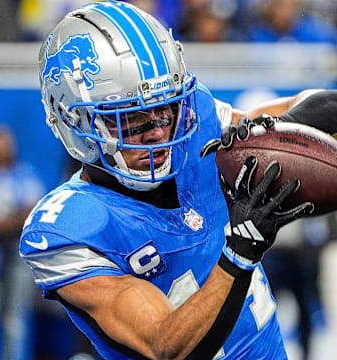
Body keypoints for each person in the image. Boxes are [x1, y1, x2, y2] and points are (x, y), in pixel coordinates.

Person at [19, 2, 335, 359]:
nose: (158, 132)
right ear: (76, 123)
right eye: (133, 119)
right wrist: (239, 252)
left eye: (166, 108)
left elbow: (291, 116)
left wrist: (297, 128)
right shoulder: (69, 226)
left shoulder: (197, 131)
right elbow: (165, 345)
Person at [0, 124, 45, 360]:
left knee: (15, 322)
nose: (1, 147)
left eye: (5, 141)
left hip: (18, 259)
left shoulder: (24, 174)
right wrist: (7, 222)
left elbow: (31, 214)